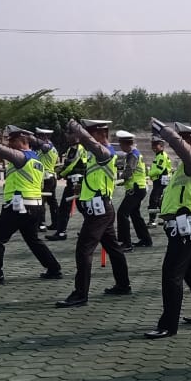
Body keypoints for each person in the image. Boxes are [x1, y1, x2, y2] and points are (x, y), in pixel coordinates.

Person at [144, 120, 191, 338]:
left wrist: (165, 131)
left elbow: (178, 145)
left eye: (187, 140)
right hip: (184, 226)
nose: (183, 146)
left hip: (185, 227)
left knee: (171, 275)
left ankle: (168, 325)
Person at [0, 127, 64, 286]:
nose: (9, 144)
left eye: (12, 141)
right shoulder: (36, 160)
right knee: (33, 240)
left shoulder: (21, 157)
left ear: (22, 142)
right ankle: (54, 268)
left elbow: (1, 150)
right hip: (34, 206)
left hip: (19, 207)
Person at [57, 119, 132, 307]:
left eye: (89, 134)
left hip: (100, 211)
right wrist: (81, 189)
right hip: (100, 209)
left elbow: (88, 142)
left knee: (83, 250)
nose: (82, 140)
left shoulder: (104, 153)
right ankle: (123, 285)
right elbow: (94, 178)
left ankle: (80, 294)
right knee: (113, 248)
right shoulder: (94, 154)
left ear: (100, 134)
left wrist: (76, 127)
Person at [115, 130, 153, 251]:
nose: (121, 147)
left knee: (122, 214)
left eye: (121, 144)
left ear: (126, 144)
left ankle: (126, 243)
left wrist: (118, 178)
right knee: (135, 214)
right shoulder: (136, 153)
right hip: (139, 188)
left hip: (135, 189)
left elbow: (129, 171)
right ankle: (145, 239)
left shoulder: (132, 155)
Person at [47, 141, 88, 241]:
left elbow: (70, 164)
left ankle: (61, 232)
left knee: (65, 207)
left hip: (75, 180)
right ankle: (88, 230)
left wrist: (61, 174)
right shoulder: (81, 147)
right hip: (78, 179)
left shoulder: (75, 148)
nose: (66, 136)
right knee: (82, 207)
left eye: (69, 133)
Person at [35, 129, 61, 234]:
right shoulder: (53, 148)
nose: (37, 139)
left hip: (45, 178)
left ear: (45, 137)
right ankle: (56, 223)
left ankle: (41, 224)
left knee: (41, 201)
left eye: (39, 136)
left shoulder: (47, 147)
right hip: (51, 177)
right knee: (52, 202)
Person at [146, 134, 173, 228]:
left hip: (161, 181)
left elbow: (159, 170)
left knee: (154, 200)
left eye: (156, 145)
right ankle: (166, 219)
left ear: (161, 146)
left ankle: (152, 221)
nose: (154, 147)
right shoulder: (158, 155)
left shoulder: (161, 156)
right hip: (159, 181)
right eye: (153, 145)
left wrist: (148, 174)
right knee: (160, 201)